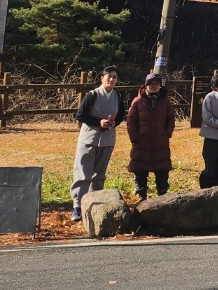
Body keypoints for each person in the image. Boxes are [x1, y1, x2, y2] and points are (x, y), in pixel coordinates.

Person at [71, 66, 125, 222]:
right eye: (109, 76)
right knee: (83, 173)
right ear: (102, 78)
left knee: (99, 175)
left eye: (114, 77)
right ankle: (77, 206)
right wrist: (98, 122)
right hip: (89, 138)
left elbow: (121, 115)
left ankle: (94, 205)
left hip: (107, 139)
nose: (112, 79)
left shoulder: (117, 96)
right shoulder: (92, 95)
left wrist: (114, 123)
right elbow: (80, 115)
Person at [125, 72, 175, 201]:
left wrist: (167, 133)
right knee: (140, 169)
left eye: (156, 83)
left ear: (160, 86)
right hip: (141, 142)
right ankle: (141, 195)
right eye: (151, 84)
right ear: (145, 85)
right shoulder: (137, 102)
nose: (154, 86)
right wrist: (134, 137)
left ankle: (163, 196)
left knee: (162, 169)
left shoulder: (165, 101)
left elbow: (171, 119)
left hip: (160, 141)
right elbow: (131, 122)